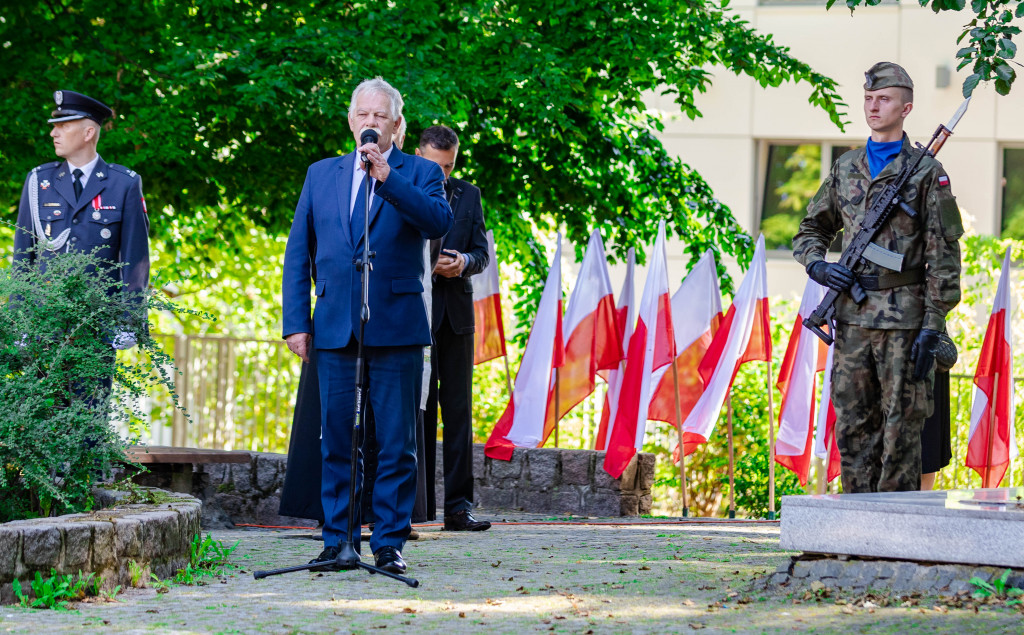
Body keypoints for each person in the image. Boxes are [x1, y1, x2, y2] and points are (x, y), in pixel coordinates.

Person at [281, 77, 451, 574]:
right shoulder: (321, 174)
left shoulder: (419, 172)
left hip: (397, 326)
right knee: (335, 439)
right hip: (335, 326)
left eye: (381, 117)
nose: (371, 123)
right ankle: (337, 540)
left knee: (397, 443)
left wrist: (387, 178)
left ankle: (390, 543)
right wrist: (297, 322)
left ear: (397, 125)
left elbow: (436, 222)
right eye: (363, 115)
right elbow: (298, 254)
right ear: (350, 121)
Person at [793, 62, 963, 494]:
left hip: (904, 323)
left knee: (901, 433)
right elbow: (811, 229)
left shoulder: (926, 173)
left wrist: (932, 324)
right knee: (852, 428)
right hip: (851, 320)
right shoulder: (846, 166)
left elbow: (943, 255)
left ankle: (894, 537)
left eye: (883, 98)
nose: (873, 106)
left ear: (906, 107)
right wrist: (817, 264)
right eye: (868, 98)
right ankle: (855, 533)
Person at [14, 90, 150, 357]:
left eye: (63, 126)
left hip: (96, 330)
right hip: (43, 327)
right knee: (41, 399)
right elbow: (22, 257)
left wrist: (131, 319)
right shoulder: (39, 182)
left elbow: (136, 259)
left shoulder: (124, 184)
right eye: (54, 126)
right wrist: (18, 319)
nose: (54, 133)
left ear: (88, 133)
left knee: (92, 400)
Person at [417, 125, 491, 530]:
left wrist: (462, 261)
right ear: (419, 154)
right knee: (420, 411)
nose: (443, 175)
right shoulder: (402, 188)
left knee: (459, 412)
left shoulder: (470, 195)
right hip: (416, 316)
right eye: (436, 166)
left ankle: (459, 509)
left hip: (458, 319)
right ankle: (420, 509)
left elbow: (482, 254)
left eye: (450, 166)